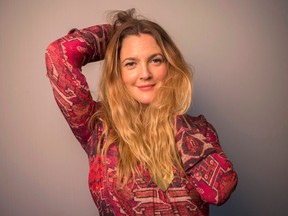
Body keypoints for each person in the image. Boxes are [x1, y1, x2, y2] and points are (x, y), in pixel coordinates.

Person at [45, 8, 237, 216]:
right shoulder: (97, 127)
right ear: (117, 72)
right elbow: (59, 53)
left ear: (170, 66)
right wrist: (121, 32)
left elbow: (219, 191)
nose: (145, 74)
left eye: (155, 60)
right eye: (130, 63)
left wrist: (172, 119)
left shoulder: (198, 129)